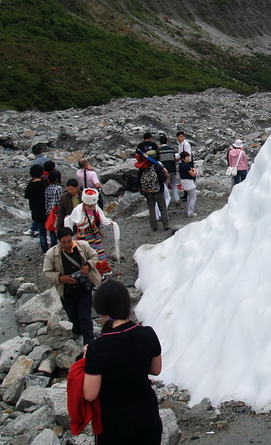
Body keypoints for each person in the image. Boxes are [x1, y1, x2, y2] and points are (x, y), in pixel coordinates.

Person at [82, 280, 162, 445]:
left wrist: (86, 360)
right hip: (147, 415)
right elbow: (156, 370)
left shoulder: (97, 348)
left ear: (101, 309)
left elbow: (90, 394)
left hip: (114, 424)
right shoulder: (148, 334)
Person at [42, 227, 101, 345]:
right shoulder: (52, 254)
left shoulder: (83, 246)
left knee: (85, 316)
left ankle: (88, 344)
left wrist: (88, 267)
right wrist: (60, 278)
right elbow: (46, 272)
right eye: (64, 242)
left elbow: (94, 256)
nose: (67, 244)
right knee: (72, 315)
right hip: (67, 291)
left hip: (84, 288)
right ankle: (77, 330)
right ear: (59, 241)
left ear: (73, 238)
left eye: (69, 241)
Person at [64, 188, 119, 272]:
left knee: (100, 253)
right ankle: (92, 272)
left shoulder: (95, 208)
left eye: (93, 205)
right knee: (88, 255)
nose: (92, 207)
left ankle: (102, 271)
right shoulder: (78, 210)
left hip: (94, 234)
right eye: (90, 206)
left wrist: (109, 222)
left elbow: (102, 217)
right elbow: (72, 220)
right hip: (83, 237)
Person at [136, 153, 170, 231]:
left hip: (147, 191)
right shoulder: (157, 167)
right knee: (163, 208)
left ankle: (154, 226)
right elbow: (162, 178)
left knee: (151, 209)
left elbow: (138, 180)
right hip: (158, 190)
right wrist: (166, 176)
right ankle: (165, 225)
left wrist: (141, 190)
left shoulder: (142, 169)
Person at [24, 164, 48, 253]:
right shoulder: (44, 183)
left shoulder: (30, 185)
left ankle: (45, 250)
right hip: (46, 209)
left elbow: (26, 196)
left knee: (42, 233)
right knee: (51, 230)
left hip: (36, 210)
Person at [157, 135, 180, 206]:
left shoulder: (158, 151)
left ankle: (166, 201)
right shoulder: (172, 150)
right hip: (172, 169)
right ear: (166, 141)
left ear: (160, 142)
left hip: (163, 171)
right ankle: (177, 199)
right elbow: (175, 158)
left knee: (164, 186)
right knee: (174, 185)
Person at [44, 169, 63, 249]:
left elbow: (46, 201)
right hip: (57, 212)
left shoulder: (47, 188)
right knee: (59, 229)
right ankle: (59, 247)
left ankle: (53, 247)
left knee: (52, 230)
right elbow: (60, 201)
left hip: (49, 212)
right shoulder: (58, 188)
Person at [178, 151, 197, 217]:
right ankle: (190, 212)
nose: (188, 158)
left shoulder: (180, 165)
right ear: (183, 158)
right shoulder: (187, 166)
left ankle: (189, 210)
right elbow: (192, 174)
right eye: (186, 157)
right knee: (193, 197)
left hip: (184, 181)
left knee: (189, 196)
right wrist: (194, 170)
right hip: (189, 182)